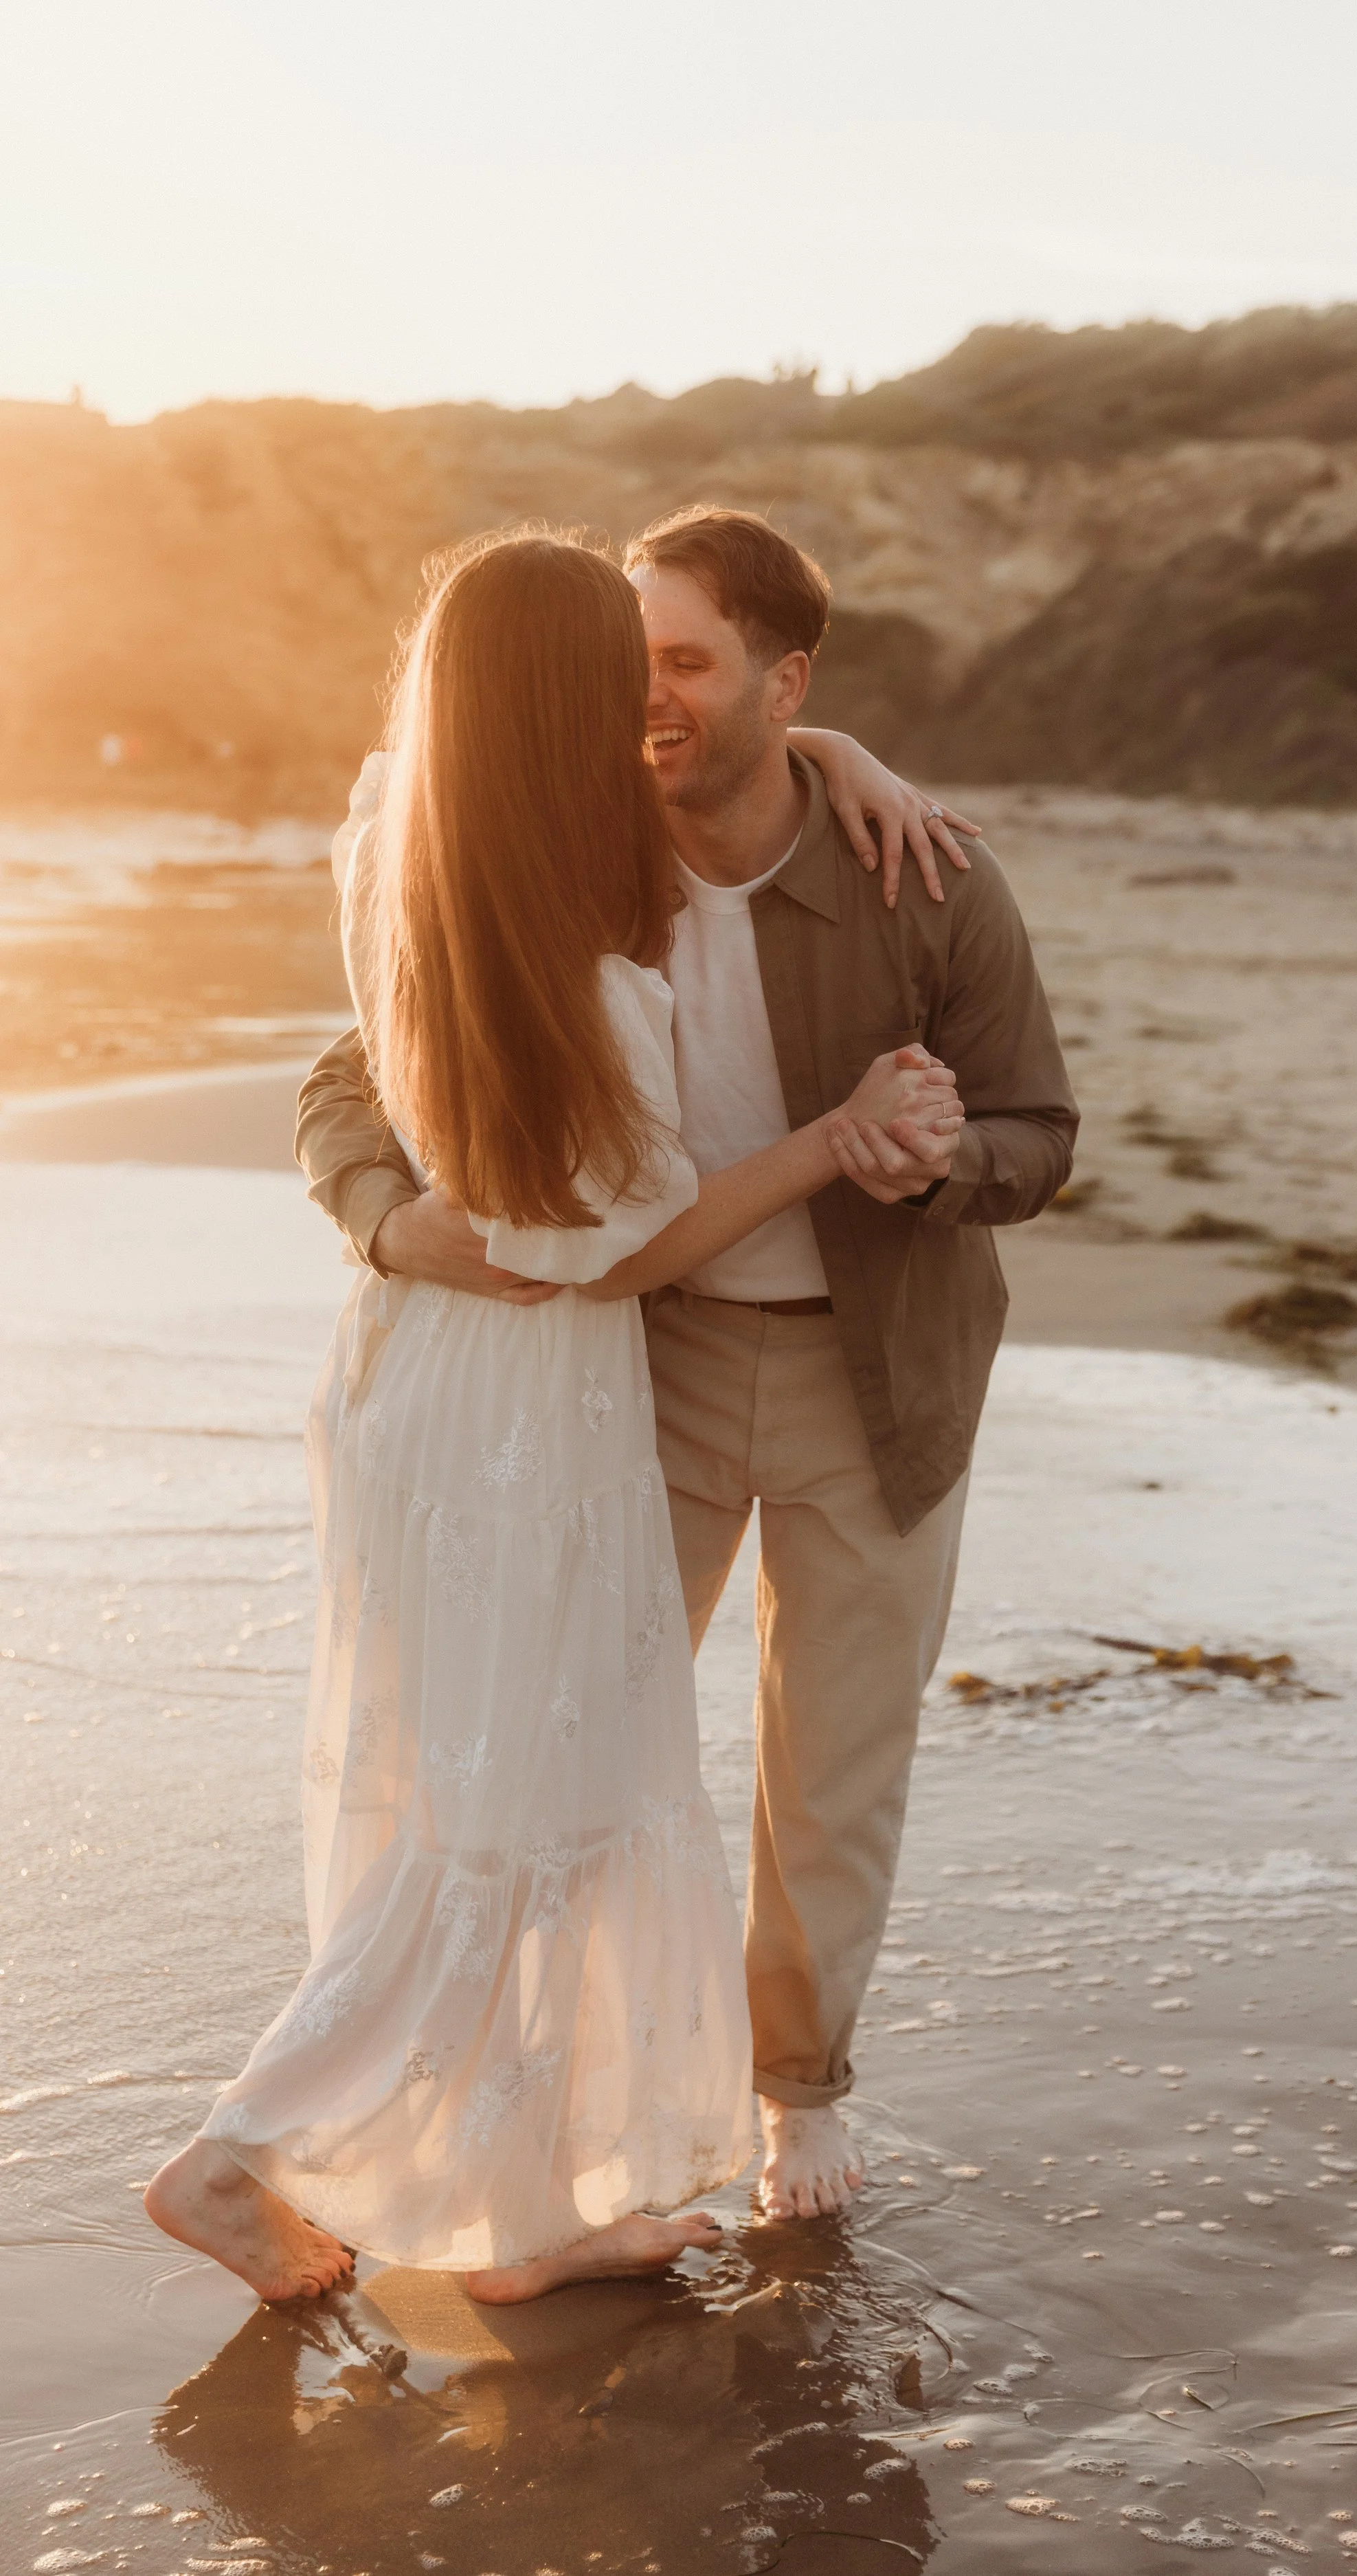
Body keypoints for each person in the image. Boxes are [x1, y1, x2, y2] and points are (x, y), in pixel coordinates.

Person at [143, 530, 962, 2304]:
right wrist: (823, 1143)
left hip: (408, 1378)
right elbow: (610, 1253)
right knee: (514, 1811)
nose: (649, 698)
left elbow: (738, 748)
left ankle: (519, 2213)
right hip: (534, 1401)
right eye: (622, 670)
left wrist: (835, 755)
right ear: (570, 701)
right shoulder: (585, 968)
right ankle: (239, 2150)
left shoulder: (401, 846)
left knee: (501, 1795)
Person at [298, 507, 1079, 2221]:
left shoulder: (918, 872)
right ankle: (556, 2112)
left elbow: (1040, 1133)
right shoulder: (567, 849)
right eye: (619, 658)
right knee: (574, 1761)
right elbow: (355, 1080)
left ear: (779, 681)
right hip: (626, 1370)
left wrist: (935, 1158)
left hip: (872, 1374)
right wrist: (380, 1215)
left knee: (835, 1767)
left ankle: (797, 2090)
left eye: (681, 662)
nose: (639, 696)